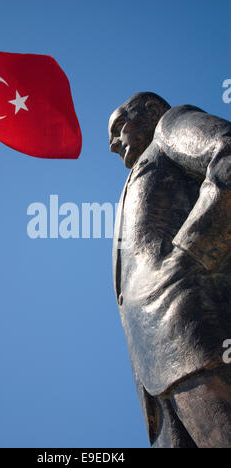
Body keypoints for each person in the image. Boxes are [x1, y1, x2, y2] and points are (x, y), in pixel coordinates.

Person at [109, 92, 231, 448]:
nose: (113, 145)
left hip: (199, 330)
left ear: (151, 111)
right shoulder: (129, 187)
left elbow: (226, 152)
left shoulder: (169, 127)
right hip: (154, 375)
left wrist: (190, 252)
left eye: (119, 127)